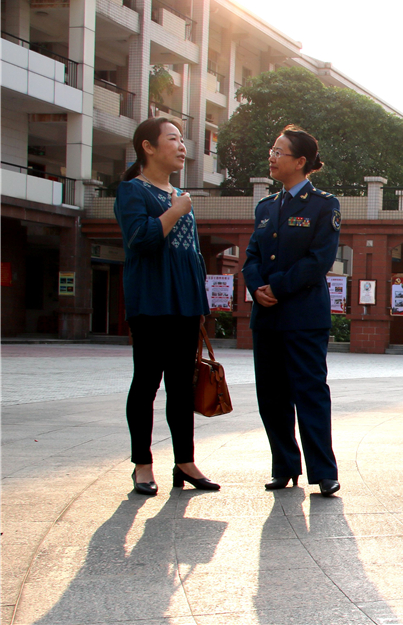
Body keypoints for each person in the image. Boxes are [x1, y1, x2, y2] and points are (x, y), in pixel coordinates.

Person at [114, 116, 219, 495]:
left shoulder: (180, 196)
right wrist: (176, 210)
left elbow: (191, 256)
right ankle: (142, 465)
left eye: (182, 139)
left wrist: (201, 303)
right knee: (146, 383)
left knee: (181, 385)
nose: (181, 146)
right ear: (148, 146)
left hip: (185, 304)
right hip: (151, 301)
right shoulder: (132, 192)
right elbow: (140, 240)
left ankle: (184, 463)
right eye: (172, 138)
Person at [242, 125, 342, 496]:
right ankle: (284, 465)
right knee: (271, 395)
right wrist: (255, 287)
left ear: (301, 162)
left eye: (279, 151)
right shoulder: (266, 207)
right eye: (272, 150)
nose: (272, 156)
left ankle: (323, 471)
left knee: (310, 393)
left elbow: (319, 261)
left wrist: (277, 287)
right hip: (267, 316)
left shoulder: (323, 204)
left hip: (302, 316)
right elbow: (252, 255)